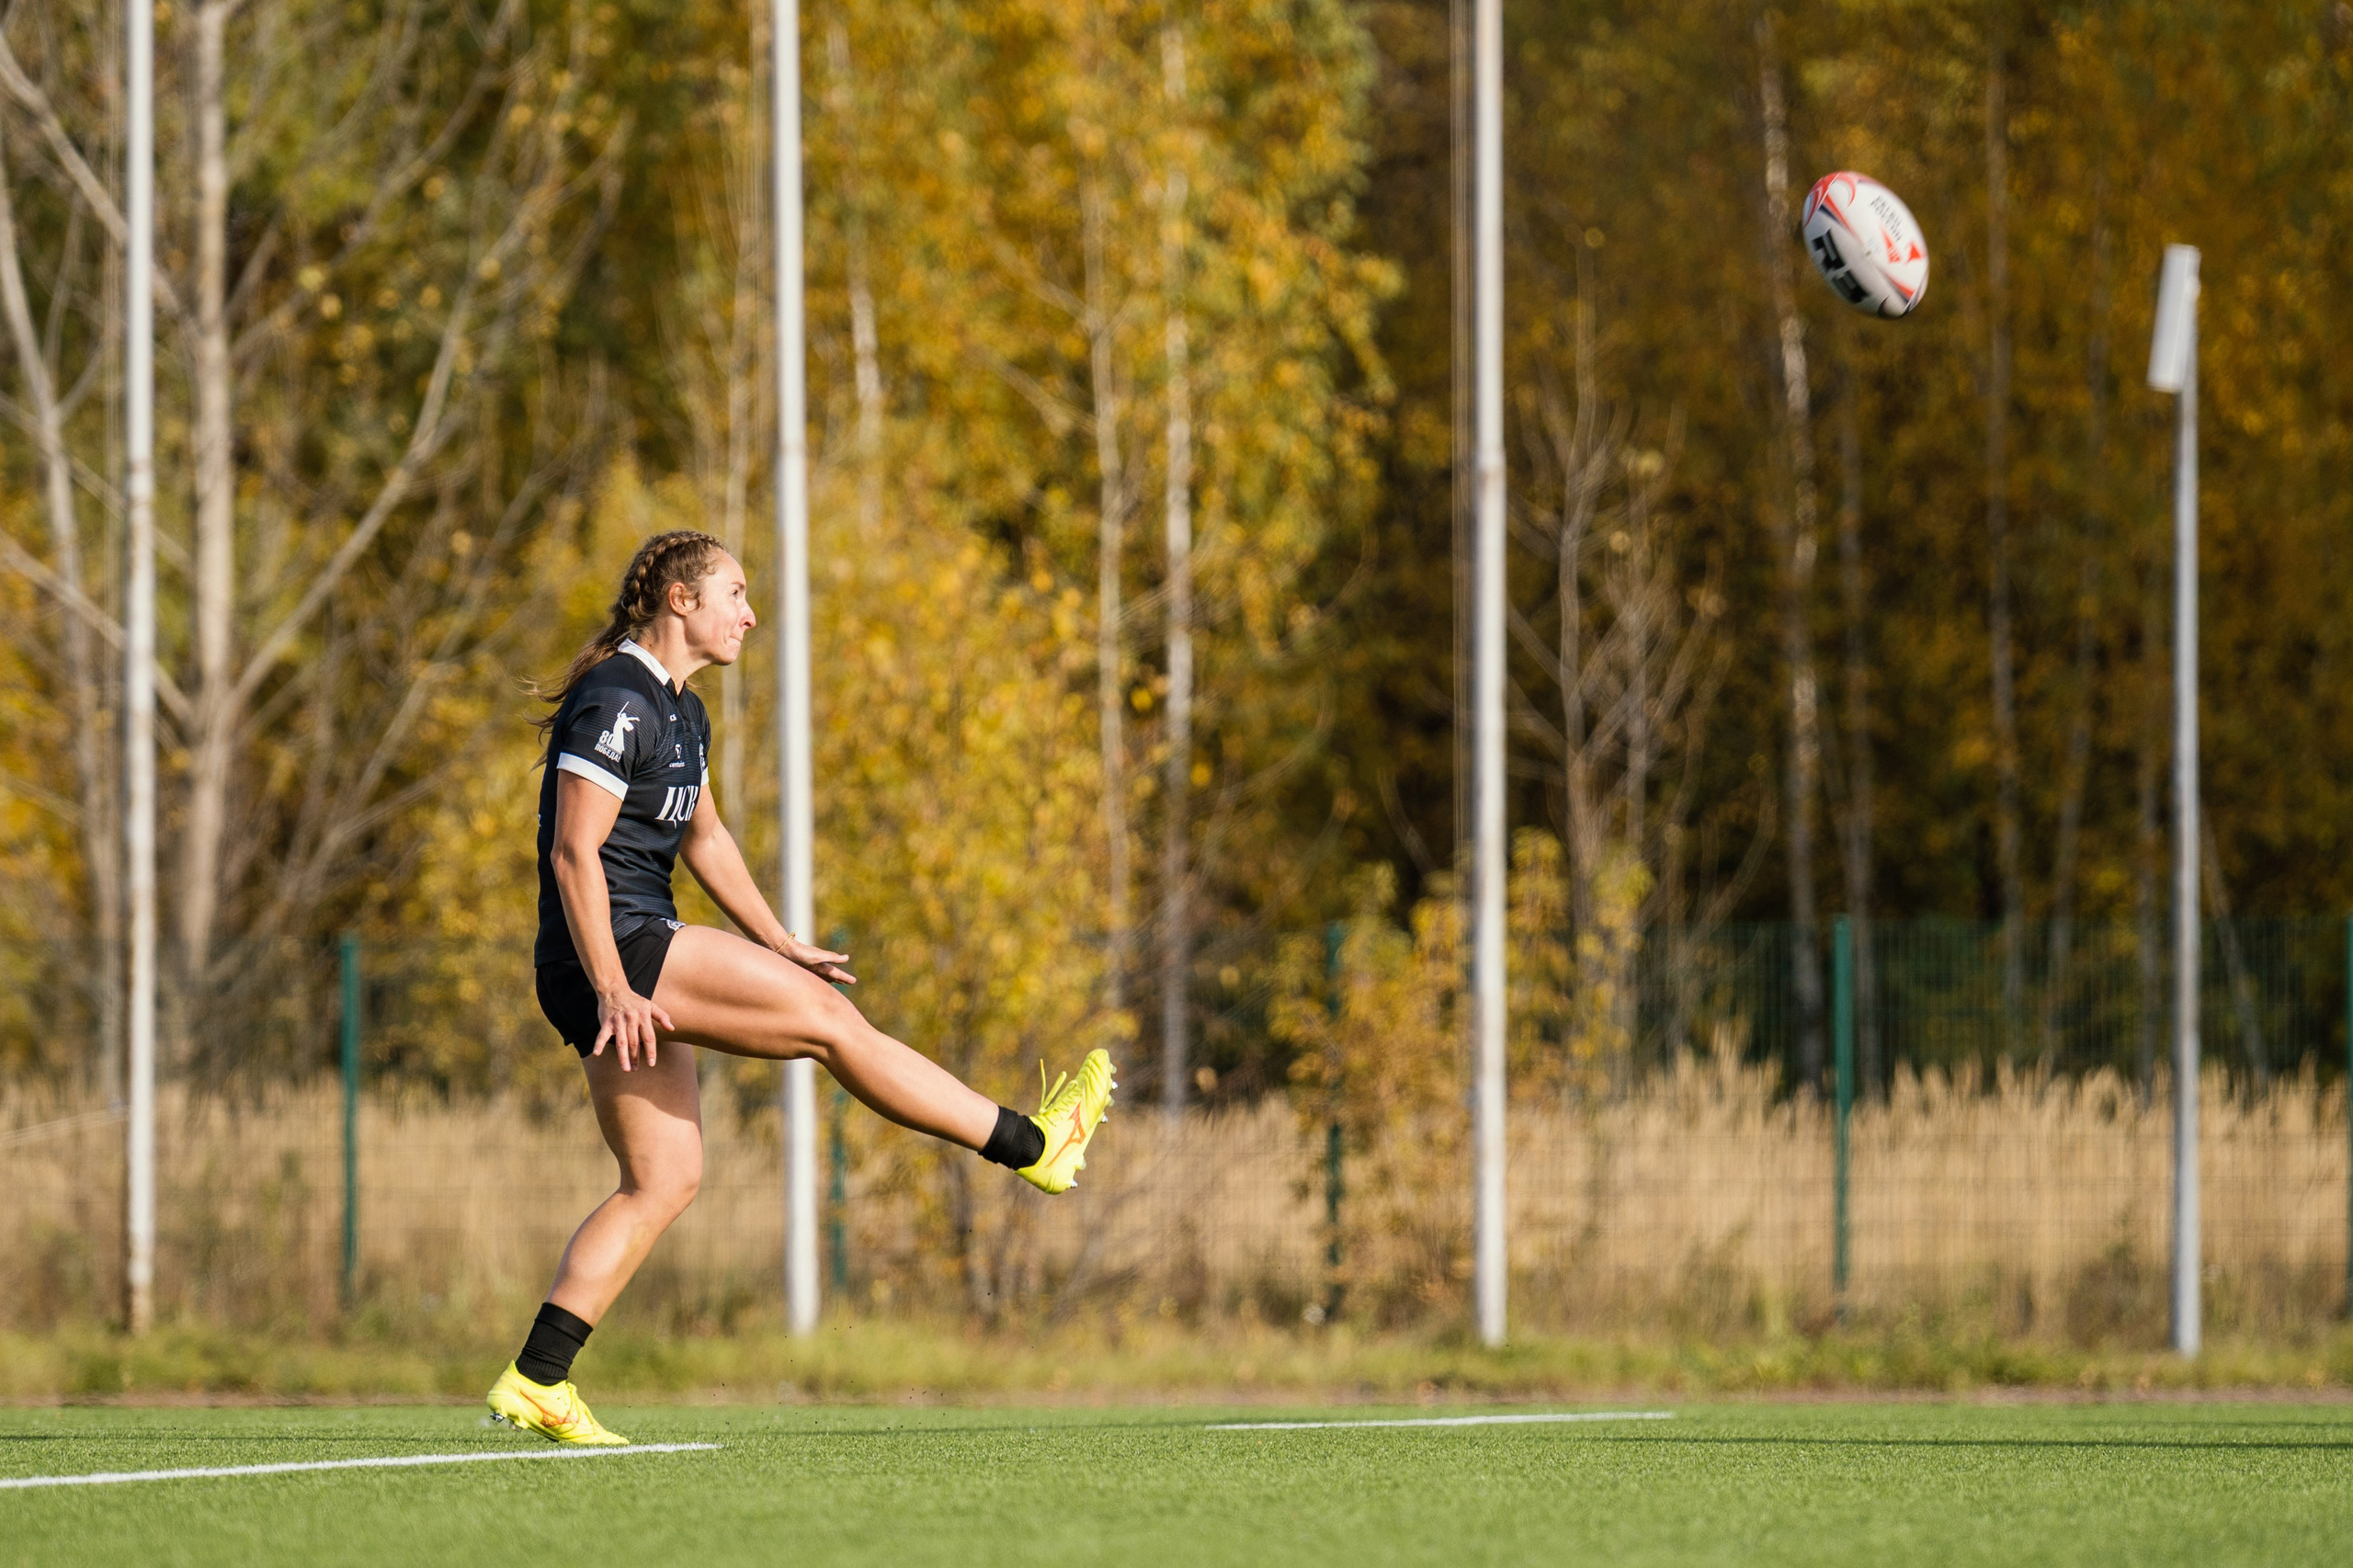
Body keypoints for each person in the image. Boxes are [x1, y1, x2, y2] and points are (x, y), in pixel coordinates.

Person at [486, 529, 1115, 1445]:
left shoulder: (681, 711)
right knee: (829, 1023)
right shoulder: (617, 700)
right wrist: (616, 984)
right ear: (679, 599)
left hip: (620, 955)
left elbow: (703, 838)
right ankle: (1031, 1142)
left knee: (664, 1179)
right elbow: (573, 851)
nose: (750, 612)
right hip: (618, 948)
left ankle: (537, 1375)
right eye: (734, 593)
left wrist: (778, 938)